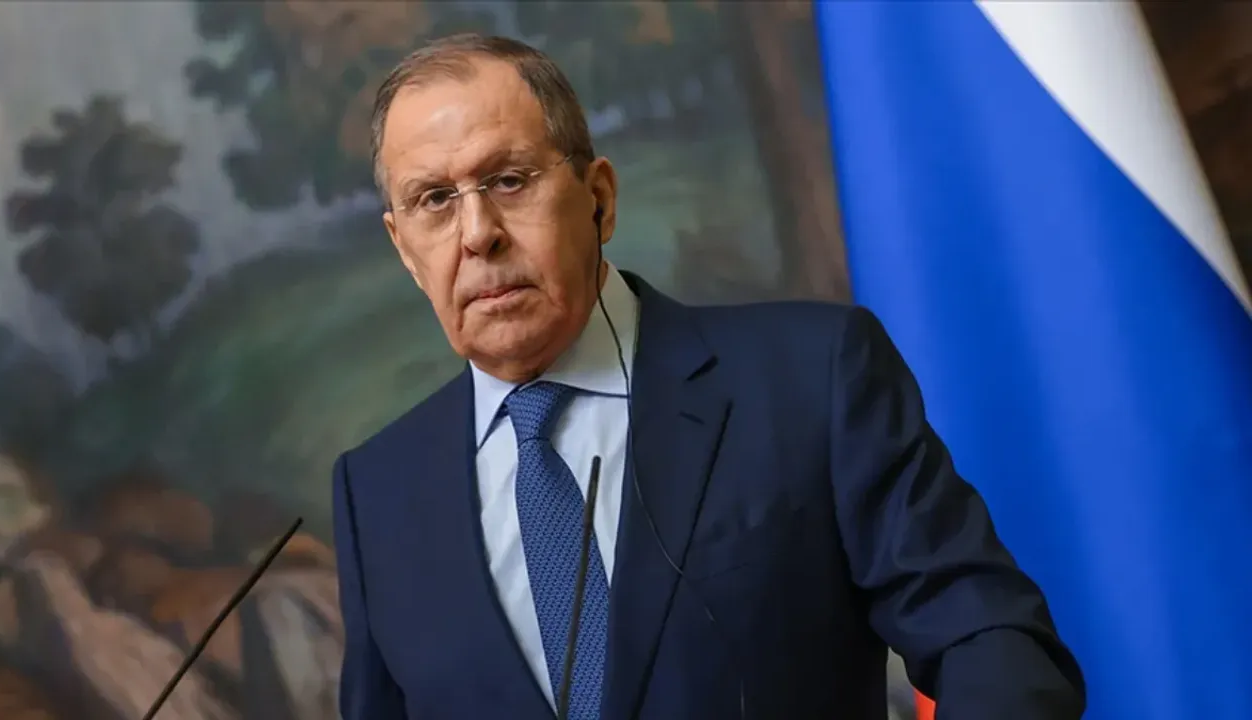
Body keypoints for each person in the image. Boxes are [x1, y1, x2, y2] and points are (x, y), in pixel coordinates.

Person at [331, 33, 1086, 720]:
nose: (477, 234)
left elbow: (993, 643)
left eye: (509, 180)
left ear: (598, 200)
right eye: (434, 200)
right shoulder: (376, 493)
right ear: (404, 248)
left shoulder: (811, 377)